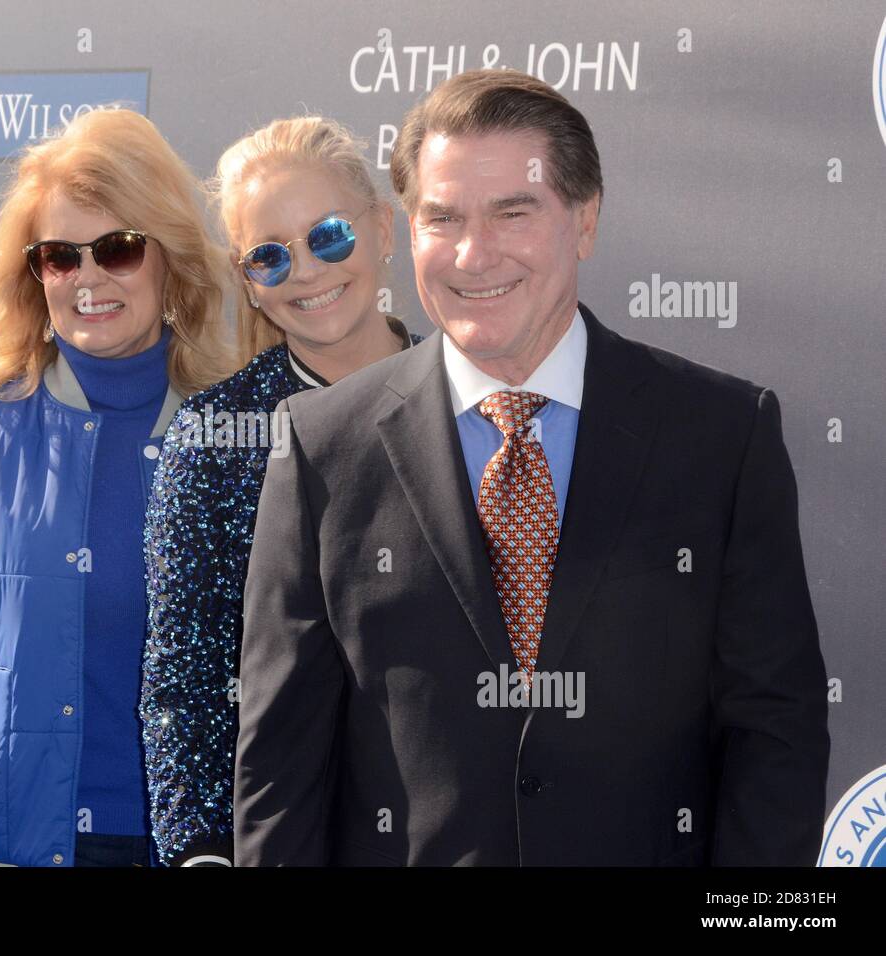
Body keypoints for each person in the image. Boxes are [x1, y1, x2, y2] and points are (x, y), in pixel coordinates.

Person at [233, 69, 830, 866]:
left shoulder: (721, 436)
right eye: (442, 219)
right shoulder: (320, 448)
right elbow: (281, 766)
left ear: (583, 219)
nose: (475, 256)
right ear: (407, 230)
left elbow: (776, 735)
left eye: (513, 212)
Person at [0, 107, 233, 867]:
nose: (89, 279)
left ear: (170, 257)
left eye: (119, 249)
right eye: (60, 257)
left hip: (194, 849)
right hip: (9, 844)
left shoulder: (234, 432)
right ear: (32, 274)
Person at [140, 116, 420, 866]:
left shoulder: (472, 400)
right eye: (269, 257)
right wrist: (200, 852)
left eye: (329, 236)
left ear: (384, 230)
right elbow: (182, 677)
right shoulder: (210, 435)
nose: (306, 270)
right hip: (281, 839)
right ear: (248, 283)